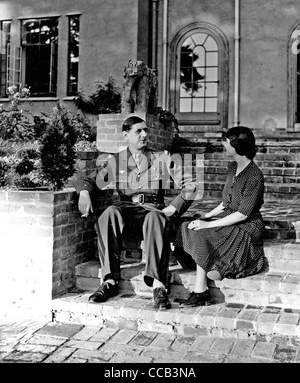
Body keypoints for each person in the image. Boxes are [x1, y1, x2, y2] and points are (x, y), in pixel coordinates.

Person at [76, 115, 196, 310]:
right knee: (109, 214)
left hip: (152, 210)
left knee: (156, 217)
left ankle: (159, 286)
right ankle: (109, 281)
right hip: (127, 210)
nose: (144, 135)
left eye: (145, 130)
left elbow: (190, 184)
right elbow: (89, 180)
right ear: (126, 135)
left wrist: (174, 206)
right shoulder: (117, 160)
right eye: (138, 131)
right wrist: (83, 192)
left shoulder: (162, 158)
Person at [174, 126, 266, 308]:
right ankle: (206, 263)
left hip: (246, 225)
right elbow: (226, 203)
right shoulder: (233, 168)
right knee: (187, 225)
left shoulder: (255, 176)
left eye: (227, 140)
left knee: (203, 232)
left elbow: (242, 214)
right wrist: (206, 216)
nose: (223, 143)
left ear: (236, 145)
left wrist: (206, 225)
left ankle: (201, 292)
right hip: (229, 216)